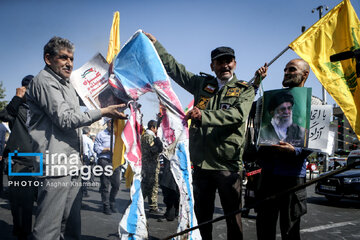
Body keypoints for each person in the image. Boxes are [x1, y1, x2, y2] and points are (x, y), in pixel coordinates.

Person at [144, 32, 267, 239]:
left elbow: (237, 115)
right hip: (201, 165)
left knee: (233, 218)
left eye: (228, 61)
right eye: (220, 62)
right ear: (212, 66)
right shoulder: (203, 85)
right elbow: (177, 70)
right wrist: (157, 46)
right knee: (202, 219)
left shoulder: (245, 89)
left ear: (235, 63)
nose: (225, 66)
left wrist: (204, 115)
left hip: (227, 165)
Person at [27, 36, 127, 240]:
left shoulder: (67, 84)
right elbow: (65, 119)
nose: (69, 63)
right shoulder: (45, 81)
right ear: (48, 59)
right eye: (63, 58)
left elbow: (89, 97)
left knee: (71, 226)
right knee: (48, 229)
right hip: (55, 165)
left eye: (71, 59)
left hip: (72, 163)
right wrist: (103, 111)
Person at [256, 59, 317, 240]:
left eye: (292, 69)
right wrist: (256, 83)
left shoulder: (314, 103)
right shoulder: (269, 98)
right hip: (268, 175)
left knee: (290, 229)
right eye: (285, 70)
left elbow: (316, 140)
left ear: (305, 74)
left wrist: (296, 151)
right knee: (264, 227)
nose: (287, 73)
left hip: (293, 177)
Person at [0, 76, 34, 240]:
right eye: (28, 89)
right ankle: (19, 230)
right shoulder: (16, 108)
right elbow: (4, 116)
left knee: (29, 199)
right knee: (17, 198)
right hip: (19, 158)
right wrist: (17, 98)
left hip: (37, 158)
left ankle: (25, 230)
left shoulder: (39, 108)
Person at [94, 119, 121, 215]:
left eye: (114, 122)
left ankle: (112, 202)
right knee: (105, 185)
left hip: (115, 162)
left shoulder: (118, 134)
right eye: (111, 122)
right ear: (107, 123)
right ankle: (106, 206)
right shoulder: (101, 134)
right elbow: (96, 148)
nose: (112, 124)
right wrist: (108, 150)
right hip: (104, 161)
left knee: (117, 184)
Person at [141, 119, 163, 214]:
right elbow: (153, 150)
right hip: (151, 164)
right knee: (152, 185)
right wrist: (158, 144)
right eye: (156, 128)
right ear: (152, 127)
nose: (157, 130)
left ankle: (142, 203)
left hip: (147, 164)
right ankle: (153, 206)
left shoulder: (145, 135)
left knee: (147, 185)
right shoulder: (149, 136)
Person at [82, 126, 96, 197]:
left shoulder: (79, 138)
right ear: (88, 132)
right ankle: (84, 191)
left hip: (77, 158)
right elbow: (93, 150)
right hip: (85, 158)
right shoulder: (88, 140)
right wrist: (96, 159)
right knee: (85, 175)